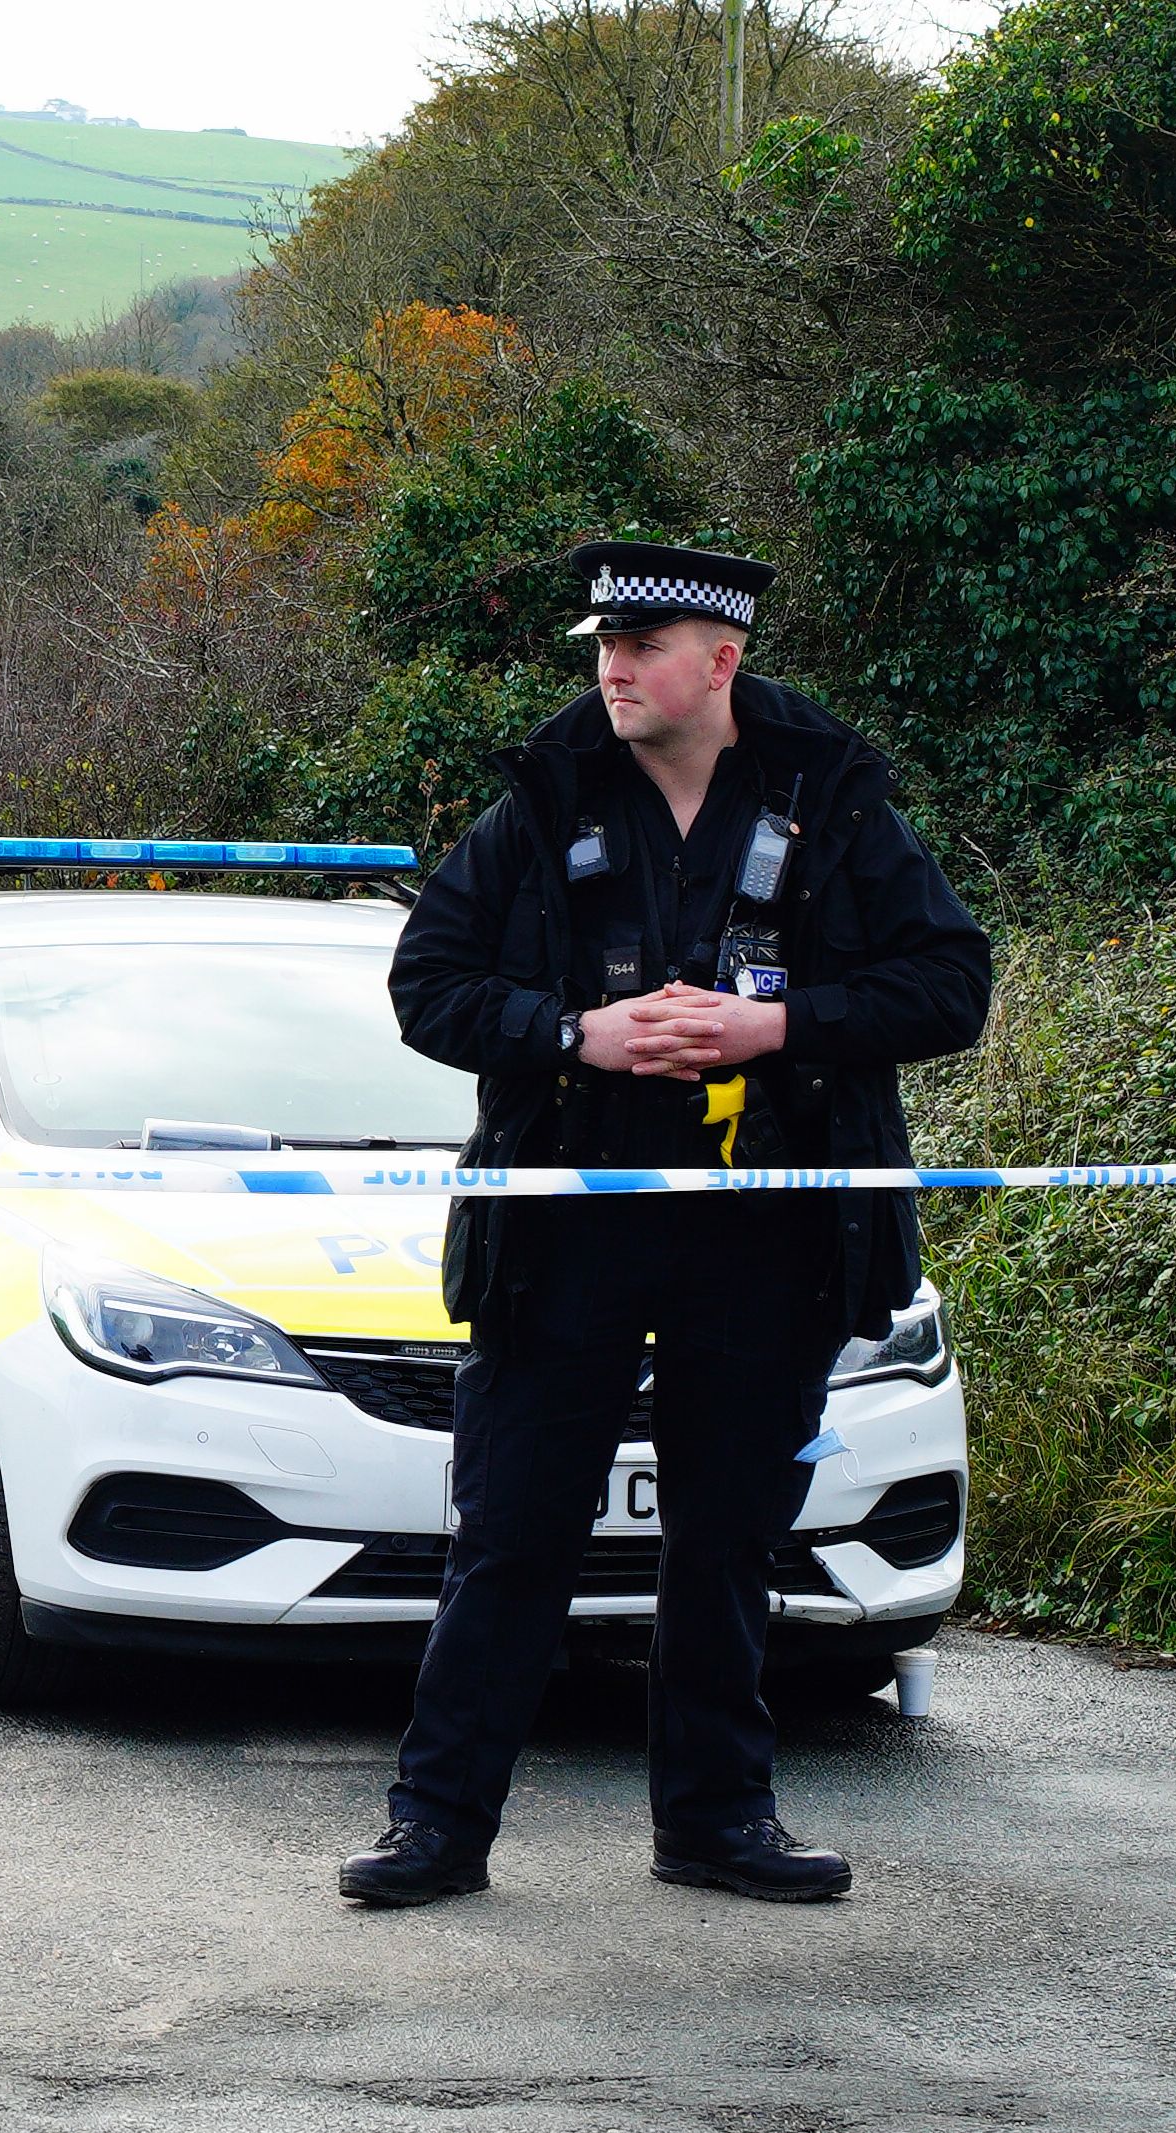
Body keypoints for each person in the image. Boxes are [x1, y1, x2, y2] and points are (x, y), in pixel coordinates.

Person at [345, 542, 993, 1908]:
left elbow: (949, 985)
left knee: (727, 1535)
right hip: (570, 1225)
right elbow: (430, 985)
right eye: (603, 646)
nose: (615, 668)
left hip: (768, 1229)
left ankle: (716, 1820)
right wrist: (578, 1035)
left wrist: (780, 1025)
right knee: (513, 1530)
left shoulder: (834, 797)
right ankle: (436, 1826)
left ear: (724, 659)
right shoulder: (545, 798)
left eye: (645, 645)